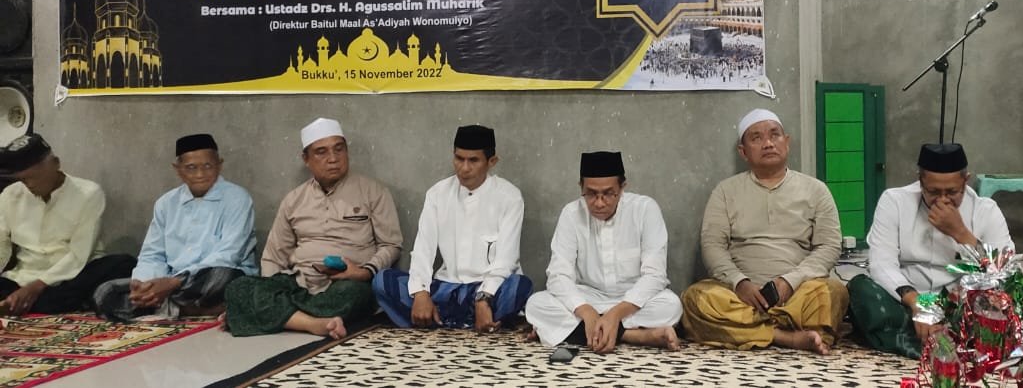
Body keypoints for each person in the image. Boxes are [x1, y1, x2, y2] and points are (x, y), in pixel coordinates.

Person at [681, 109, 848, 354]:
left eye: (774, 135)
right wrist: (740, 283)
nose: (768, 143)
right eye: (756, 138)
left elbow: (829, 246)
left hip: (798, 291)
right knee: (695, 298)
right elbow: (713, 245)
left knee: (833, 292)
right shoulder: (725, 191)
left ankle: (751, 329)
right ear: (743, 152)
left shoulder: (816, 190)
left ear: (786, 142)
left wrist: (790, 282)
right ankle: (786, 336)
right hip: (741, 295)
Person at [224, 118, 402, 338]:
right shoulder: (294, 200)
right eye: (321, 152)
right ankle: (312, 323)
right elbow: (273, 257)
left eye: (339, 149)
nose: (333, 158)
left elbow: (391, 245)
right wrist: (267, 288)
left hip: (347, 283)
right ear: (306, 159)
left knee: (354, 295)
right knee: (238, 288)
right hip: (298, 283)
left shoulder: (373, 192)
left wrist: (364, 272)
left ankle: (274, 314)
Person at [847, 143, 1014, 358]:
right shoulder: (895, 202)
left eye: (952, 192)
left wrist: (961, 234)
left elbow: (1005, 272)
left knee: (1014, 299)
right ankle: (953, 344)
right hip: (909, 302)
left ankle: (917, 340)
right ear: (921, 181)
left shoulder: (986, 210)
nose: (943, 199)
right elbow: (881, 264)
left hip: (959, 304)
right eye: (933, 192)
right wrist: (919, 304)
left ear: (966, 180)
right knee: (861, 290)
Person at [373, 125, 532, 331]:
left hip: (486, 289)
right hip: (445, 289)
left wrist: (484, 297)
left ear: (491, 162)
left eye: (473, 160)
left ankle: (443, 319)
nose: (464, 168)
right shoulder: (437, 193)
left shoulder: (509, 197)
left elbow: (506, 261)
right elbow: (423, 250)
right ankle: (466, 320)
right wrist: (421, 293)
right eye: (459, 158)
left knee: (520, 285)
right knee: (382, 281)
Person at [525, 151, 681, 353]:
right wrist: (587, 312)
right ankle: (635, 336)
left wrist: (615, 314)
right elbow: (558, 275)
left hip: (631, 301)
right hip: (588, 298)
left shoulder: (645, 209)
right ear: (581, 187)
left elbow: (655, 275)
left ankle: (576, 332)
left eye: (608, 194)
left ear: (622, 188)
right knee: (536, 305)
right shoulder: (571, 214)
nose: (599, 202)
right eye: (591, 194)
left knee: (671, 305)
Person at [94, 134, 258, 322]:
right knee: (104, 293)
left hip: (209, 279)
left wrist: (173, 283)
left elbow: (229, 254)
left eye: (207, 166)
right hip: (172, 284)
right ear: (178, 169)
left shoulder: (237, 198)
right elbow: (152, 254)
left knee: (222, 278)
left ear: (219, 165)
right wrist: (144, 286)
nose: (200, 174)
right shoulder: (166, 203)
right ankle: (187, 308)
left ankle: (166, 307)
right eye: (191, 168)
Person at [0, 134, 135, 316]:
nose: (29, 185)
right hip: (23, 276)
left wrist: (36, 287)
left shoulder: (88, 193)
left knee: (124, 263)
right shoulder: (10, 195)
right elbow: (1, 244)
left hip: (73, 274)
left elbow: (79, 255)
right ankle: (26, 301)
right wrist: (24, 287)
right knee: (38, 298)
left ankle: (27, 302)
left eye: (33, 177)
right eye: (23, 180)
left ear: (56, 164)